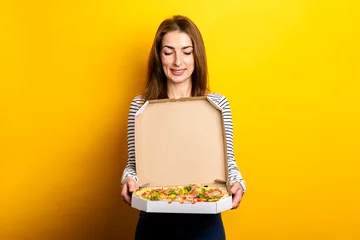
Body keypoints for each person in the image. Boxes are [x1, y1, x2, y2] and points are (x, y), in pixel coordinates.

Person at [121, 15, 246, 240]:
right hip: (154, 223)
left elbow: (228, 165)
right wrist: (127, 180)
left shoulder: (217, 104)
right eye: (169, 52)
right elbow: (133, 166)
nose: (178, 61)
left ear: (196, 56)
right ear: (159, 58)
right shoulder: (140, 106)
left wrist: (238, 183)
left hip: (205, 223)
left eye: (186, 52)